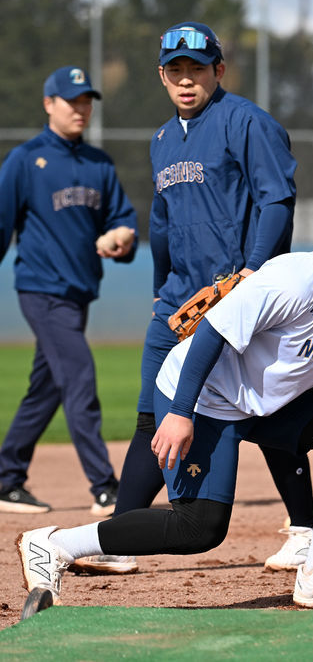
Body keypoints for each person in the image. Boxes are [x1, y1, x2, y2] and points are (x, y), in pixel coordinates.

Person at [17, 190, 313, 608]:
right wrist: (180, 413)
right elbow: (211, 331)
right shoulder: (297, 278)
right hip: (206, 395)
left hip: (275, 400)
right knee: (198, 529)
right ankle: (57, 545)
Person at [71, 22, 313, 575]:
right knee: (148, 417)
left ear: (218, 71)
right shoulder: (162, 139)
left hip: (238, 300)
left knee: (264, 406)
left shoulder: (247, 123)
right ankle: (117, 536)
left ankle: (304, 531)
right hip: (179, 304)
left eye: (197, 69)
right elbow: (161, 221)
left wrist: (254, 274)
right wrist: (163, 292)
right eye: (175, 70)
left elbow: (277, 200)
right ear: (162, 75)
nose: (187, 79)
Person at [0, 66, 138, 517]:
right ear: (48, 104)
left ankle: (6, 478)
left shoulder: (98, 163)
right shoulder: (25, 160)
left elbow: (123, 221)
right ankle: (106, 487)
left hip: (79, 291)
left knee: (47, 388)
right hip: (41, 289)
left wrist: (121, 238)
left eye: (86, 100)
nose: (81, 108)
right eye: (71, 100)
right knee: (78, 376)